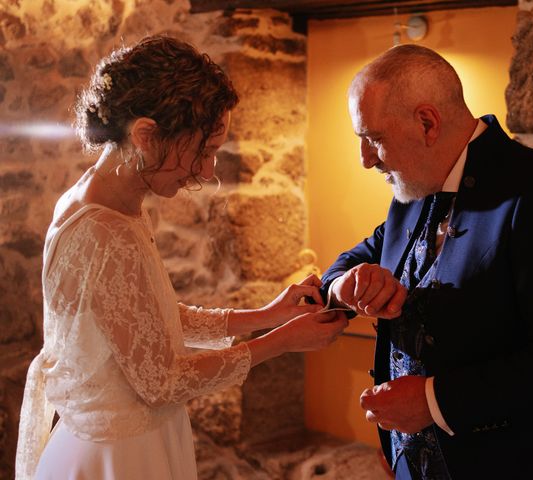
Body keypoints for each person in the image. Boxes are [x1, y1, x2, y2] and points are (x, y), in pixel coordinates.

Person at [15, 35, 348, 480]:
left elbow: (147, 320)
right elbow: (161, 382)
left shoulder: (110, 203)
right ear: (145, 136)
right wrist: (282, 341)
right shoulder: (102, 231)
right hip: (118, 456)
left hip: (139, 437)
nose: (209, 171)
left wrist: (265, 315)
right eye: (203, 151)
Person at [321, 44, 533, 479]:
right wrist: (348, 284)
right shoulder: (414, 187)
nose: (365, 159)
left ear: (427, 122)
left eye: (373, 138)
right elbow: (350, 261)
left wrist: (434, 401)